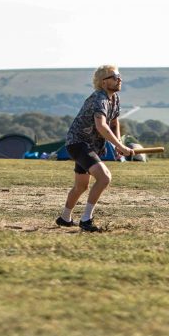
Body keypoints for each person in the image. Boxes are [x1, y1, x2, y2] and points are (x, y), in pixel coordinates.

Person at [56, 65, 134, 232]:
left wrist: (118, 142)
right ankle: (86, 220)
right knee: (105, 177)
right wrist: (120, 146)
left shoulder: (114, 99)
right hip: (78, 143)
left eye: (119, 76)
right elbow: (101, 126)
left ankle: (65, 218)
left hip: (90, 145)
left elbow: (114, 122)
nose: (119, 79)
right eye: (114, 77)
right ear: (103, 82)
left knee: (81, 186)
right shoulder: (100, 98)